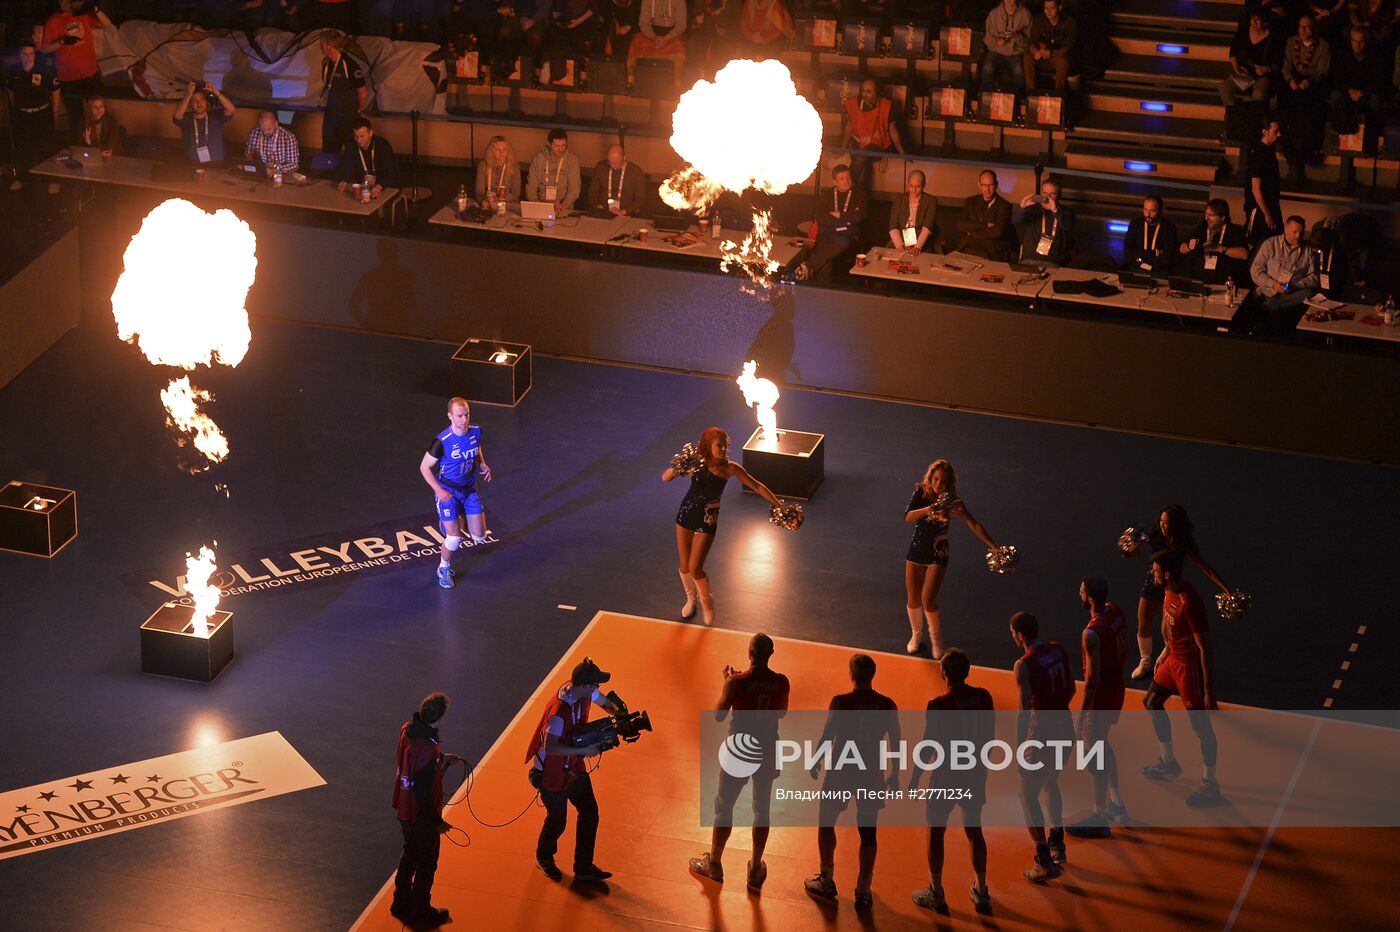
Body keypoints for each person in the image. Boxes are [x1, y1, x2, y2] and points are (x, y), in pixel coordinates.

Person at [689, 633, 790, 888]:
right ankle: (755, 868)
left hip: (740, 749)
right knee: (762, 809)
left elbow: (719, 716)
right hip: (767, 747)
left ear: (749, 654)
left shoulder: (737, 682)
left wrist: (727, 683)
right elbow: (782, 713)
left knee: (724, 805)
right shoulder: (781, 682)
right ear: (771, 654)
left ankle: (714, 863)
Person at [805, 654, 900, 912]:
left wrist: (815, 759)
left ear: (852, 675)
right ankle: (863, 889)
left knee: (827, 822)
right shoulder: (887, 705)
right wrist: (896, 774)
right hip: (870, 773)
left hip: (841, 771)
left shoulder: (841, 702)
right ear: (872, 675)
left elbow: (828, 735)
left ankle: (826, 879)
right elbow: (895, 742)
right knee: (868, 833)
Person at [661, 426, 784, 624]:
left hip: (707, 520)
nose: (724, 449)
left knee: (695, 568)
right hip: (686, 514)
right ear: (708, 447)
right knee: (684, 566)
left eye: (725, 445)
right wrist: (677, 468)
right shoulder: (697, 463)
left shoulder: (730, 468)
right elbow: (665, 477)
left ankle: (706, 601)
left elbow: (757, 485)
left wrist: (778, 504)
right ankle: (691, 599)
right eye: (719, 445)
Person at [524, 657, 623, 881]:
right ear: (585, 685)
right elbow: (550, 747)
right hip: (552, 773)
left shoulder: (580, 690)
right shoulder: (559, 713)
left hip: (572, 767)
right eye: (595, 685)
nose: (598, 688)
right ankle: (544, 857)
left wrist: (618, 713)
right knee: (557, 821)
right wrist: (585, 750)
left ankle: (583, 867)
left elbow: (605, 702)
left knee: (590, 812)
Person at [911, 648, 993, 914]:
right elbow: (989, 739)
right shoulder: (983, 697)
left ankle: (936, 891)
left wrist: (914, 776)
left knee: (936, 831)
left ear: (943, 673)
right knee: (974, 830)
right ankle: (981, 891)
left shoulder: (938, 705)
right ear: (968, 672)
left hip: (945, 776)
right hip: (973, 774)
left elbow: (928, 745)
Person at [1140, 551, 1223, 808]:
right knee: (1151, 701)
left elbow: (1205, 648)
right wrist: (1165, 651)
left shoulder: (1190, 603)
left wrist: (1208, 690)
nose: (1152, 575)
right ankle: (1168, 762)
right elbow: (1167, 625)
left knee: (1201, 728)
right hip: (1173, 660)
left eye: (1155, 571)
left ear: (1167, 574)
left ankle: (1210, 783)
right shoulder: (1168, 591)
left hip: (1189, 669)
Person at [903, 459, 1000, 659]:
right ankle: (916, 634)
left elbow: (973, 523)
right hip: (916, 551)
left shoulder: (954, 502)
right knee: (913, 598)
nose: (938, 484)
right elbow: (907, 517)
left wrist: (993, 545)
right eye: (936, 479)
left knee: (928, 599)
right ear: (930, 478)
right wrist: (928, 509)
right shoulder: (921, 493)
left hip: (938, 554)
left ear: (949, 483)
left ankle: (936, 638)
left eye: (943, 481)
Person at [1129, 505, 1232, 679]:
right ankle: (1145, 661)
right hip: (1154, 580)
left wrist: (1227, 589)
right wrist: (1132, 546)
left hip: (1172, 587)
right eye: (1161, 521)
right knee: (1143, 621)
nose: (1162, 525)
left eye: (1166, 523)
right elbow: (1137, 541)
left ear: (1176, 525)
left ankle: (1168, 659)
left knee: (1168, 629)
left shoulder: (1184, 542)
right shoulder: (1156, 534)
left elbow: (1206, 569)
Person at [1010, 610, 1073, 883]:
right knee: (1051, 783)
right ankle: (1058, 845)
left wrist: (1018, 746)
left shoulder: (1024, 664)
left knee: (1027, 796)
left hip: (1042, 736)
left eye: (1013, 633)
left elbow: (1024, 710)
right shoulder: (1058, 650)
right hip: (1065, 728)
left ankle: (1044, 860)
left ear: (1020, 635)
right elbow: (1071, 688)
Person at [1066, 578, 1129, 838]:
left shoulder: (1091, 633)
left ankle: (1099, 815)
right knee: (1103, 745)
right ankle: (1116, 804)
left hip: (1101, 696)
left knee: (1093, 755)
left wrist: (1081, 715)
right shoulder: (1114, 610)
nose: (1078, 593)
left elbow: (1091, 680)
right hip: (1117, 688)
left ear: (1089, 597)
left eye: (1081, 590)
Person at [391, 692, 457, 928]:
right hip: (420, 817)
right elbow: (423, 792)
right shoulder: (428, 750)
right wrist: (437, 822)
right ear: (441, 716)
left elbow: (414, 769)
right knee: (427, 864)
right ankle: (421, 911)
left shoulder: (407, 730)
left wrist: (439, 763)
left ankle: (400, 902)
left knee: (409, 854)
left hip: (404, 808)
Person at [419, 397, 494, 590]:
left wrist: (483, 464)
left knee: (479, 536)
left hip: (469, 489)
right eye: (459, 415)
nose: (464, 419)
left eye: (466, 414)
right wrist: (439, 490)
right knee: (454, 538)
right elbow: (424, 467)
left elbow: (476, 447)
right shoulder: (441, 441)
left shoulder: (476, 431)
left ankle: (454, 519)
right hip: (448, 492)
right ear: (450, 416)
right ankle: (443, 568)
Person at [38, 0, 111, 136]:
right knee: (76, 120)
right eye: (63, 1)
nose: (66, 4)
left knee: (100, 114)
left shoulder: (83, 15)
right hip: (69, 78)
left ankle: (102, 145)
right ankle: (81, 148)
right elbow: (44, 49)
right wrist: (62, 41)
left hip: (90, 75)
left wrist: (96, 9)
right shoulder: (53, 20)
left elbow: (108, 25)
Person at [1278, 14, 1331, 184]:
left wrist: (1308, 82)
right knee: (1284, 102)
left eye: (1307, 27)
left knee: (1310, 106)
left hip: (1313, 84)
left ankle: (1307, 147)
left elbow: (1322, 72)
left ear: (1314, 28)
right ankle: (1287, 144)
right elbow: (1286, 66)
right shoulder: (1290, 42)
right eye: (1301, 26)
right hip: (1295, 82)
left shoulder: (1323, 45)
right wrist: (1291, 81)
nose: (1303, 30)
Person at [793, 163, 867, 282]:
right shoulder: (827, 195)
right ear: (835, 181)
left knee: (843, 241)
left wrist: (837, 214)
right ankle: (820, 293)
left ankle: (809, 266)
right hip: (828, 233)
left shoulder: (860, 195)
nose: (846, 181)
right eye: (842, 179)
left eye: (848, 177)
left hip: (848, 235)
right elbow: (821, 217)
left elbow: (858, 217)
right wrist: (844, 222)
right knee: (826, 262)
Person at [5, 41, 60, 191]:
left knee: (47, 147)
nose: (28, 57)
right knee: (22, 148)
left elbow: (55, 92)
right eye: (25, 54)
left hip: (42, 114)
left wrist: (55, 112)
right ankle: (22, 178)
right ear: (19, 55)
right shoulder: (14, 71)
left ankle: (51, 180)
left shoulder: (45, 70)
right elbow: (11, 93)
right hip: (23, 115)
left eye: (31, 54)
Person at [1249, 215, 1318, 331]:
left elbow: (1315, 276)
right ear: (1285, 229)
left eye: (1301, 232)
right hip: (1270, 290)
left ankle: (1274, 307)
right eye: (1295, 232)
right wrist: (1273, 284)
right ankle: (1275, 306)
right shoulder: (1270, 244)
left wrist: (1296, 286)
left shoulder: (1308, 249)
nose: (1298, 236)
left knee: (1309, 293)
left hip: (1293, 290)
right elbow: (1255, 270)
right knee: (1266, 296)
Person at [841, 77, 904, 190]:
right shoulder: (853, 103)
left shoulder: (886, 106)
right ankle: (856, 196)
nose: (864, 94)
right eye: (863, 90)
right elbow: (849, 127)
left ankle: (847, 187)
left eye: (869, 92)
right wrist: (843, 148)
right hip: (858, 141)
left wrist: (902, 153)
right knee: (861, 163)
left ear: (877, 93)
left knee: (861, 157)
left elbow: (893, 131)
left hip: (880, 143)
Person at [1328, 26, 1386, 142]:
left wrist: (1363, 93)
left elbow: (1377, 80)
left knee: (1375, 100)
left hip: (1366, 93)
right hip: (1348, 92)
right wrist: (1350, 91)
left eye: (1361, 41)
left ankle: (1369, 132)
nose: (1358, 44)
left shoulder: (1374, 56)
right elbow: (1338, 78)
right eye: (1354, 41)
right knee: (1335, 96)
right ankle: (1341, 125)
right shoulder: (1343, 55)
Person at [1178, 198, 1249, 286]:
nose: (1206, 218)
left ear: (1222, 217)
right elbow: (1181, 248)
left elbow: (1244, 254)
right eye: (1206, 214)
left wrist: (1220, 248)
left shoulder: (1235, 231)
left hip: (1224, 282)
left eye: (1211, 215)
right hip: (1200, 279)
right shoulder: (1201, 229)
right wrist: (1189, 246)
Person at [320, 33, 368, 157]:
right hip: (331, 114)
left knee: (350, 150)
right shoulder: (326, 62)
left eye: (322, 44)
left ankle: (350, 175)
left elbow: (362, 92)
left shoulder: (350, 65)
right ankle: (328, 175)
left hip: (348, 116)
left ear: (329, 46)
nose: (320, 47)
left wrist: (360, 111)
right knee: (329, 149)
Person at [1221, 11, 1282, 107]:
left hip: (1264, 74)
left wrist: (1266, 69)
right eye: (1252, 20)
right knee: (1224, 88)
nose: (1253, 23)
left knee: (1258, 94)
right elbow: (1234, 49)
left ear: (1265, 22)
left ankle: (1257, 118)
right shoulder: (1245, 32)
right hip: (1247, 72)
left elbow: (1279, 62)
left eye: (1257, 20)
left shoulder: (1273, 38)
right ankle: (1236, 113)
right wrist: (1236, 65)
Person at [953, 169, 1016, 260]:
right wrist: (985, 225)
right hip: (968, 246)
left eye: (990, 185)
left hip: (990, 250)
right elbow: (959, 224)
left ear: (996, 184)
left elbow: (997, 231)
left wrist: (971, 233)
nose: (987, 189)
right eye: (984, 185)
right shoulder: (971, 201)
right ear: (979, 185)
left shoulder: (1004, 205)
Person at [1015, 175, 1075, 266]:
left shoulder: (1066, 212)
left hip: (1053, 262)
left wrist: (1055, 211)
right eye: (1045, 193)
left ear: (1059, 195)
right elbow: (1016, 220)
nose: (1048, 197)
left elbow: (1069, 227)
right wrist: (1022, 207)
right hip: (1030, 260)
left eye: (1052, 194)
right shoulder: (1033, 208)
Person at [172, 80, 236, 166]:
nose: (199, 103)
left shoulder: (216, 116)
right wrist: (188, 95)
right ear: (190, 103)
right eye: (195, 100)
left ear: (206, 102)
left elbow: (231, 109)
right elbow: (177, 116)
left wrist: (216, 92)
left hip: (216, 163)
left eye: (202, 99)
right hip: (192, 164)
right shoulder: (187, 118)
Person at [1241, 117, 1283, 246]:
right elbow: (1255, 188)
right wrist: (1267, 214)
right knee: (1258, 243)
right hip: (1260, 210)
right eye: (1275, 131)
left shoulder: (1268, 150)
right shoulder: (1259, 155)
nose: (1279, 134)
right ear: (1265, 132)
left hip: (1270, 206)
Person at [627, 0, 687, 81]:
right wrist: (654, 37)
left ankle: (674, 84)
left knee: (678, 47)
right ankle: (637, 82)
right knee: (636, 43)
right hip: (652, 33)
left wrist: (666, 38)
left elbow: (681, 25)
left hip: (672, 34)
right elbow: (643, 23)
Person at [1024, 0, 1077, 91]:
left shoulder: (1069, 22)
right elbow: (1032, 41)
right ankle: (1030, 93)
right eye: (1046, 8)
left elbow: (1068, 45)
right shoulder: (1039, 20)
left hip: (1057, 56)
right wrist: (1035, 51)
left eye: (1052, 8)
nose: (1048, 12)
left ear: (1059, 8)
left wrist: (1051, 52)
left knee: (1063, 62)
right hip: (1041, 56)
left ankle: (1058, 95)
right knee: (1027, 57)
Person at [337, 117, 398, 195]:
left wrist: (379, 186)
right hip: (364, 189)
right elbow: (346, 166)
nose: (359, 140)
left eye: (362, 136)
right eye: (356, 136)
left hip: (386, 187)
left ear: (371, 133)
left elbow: (389, 172)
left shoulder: (382, 145)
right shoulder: (351, 145)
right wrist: (343, 181)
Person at [526, 128, 582, 210]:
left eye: (563, 146)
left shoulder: (572, 160)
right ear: (549, 144)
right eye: (556, 146)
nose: (560, 149)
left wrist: (564, 205)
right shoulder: (538, 159)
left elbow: (574, 189)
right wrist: (537, 204)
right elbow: (531, 187)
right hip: (541, 205)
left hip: (563, 207)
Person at [541, 0, 596, 83]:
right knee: (554, 35)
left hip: (584, 22)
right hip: (565, 21)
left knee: (577, 37)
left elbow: (591, 10)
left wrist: (577, 21)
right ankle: (552, 66)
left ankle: (574, 73)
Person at [1121, 195, 1179, 273]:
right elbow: (1128, 251)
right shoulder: (1136, 223)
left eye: (1152, 211)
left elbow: (1168, 255)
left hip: (1159, 271)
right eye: (1145, 209)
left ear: (1160, 211)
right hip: (1136, 268)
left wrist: (1141, 253)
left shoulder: (1169, 227)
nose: (1148, 214)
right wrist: (1155, 252)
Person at [887, 169, 938, 254]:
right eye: (911, 186)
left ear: (923, 185)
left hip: (921, 243)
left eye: (918, 187)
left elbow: (927, 227)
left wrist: (917, 247)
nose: (914, 190)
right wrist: (899, 245)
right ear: (908, 184)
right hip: (900, 241)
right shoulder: (899, 199)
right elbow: (893, 226)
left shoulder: (931, 201)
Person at [982, 0, 1031, 90]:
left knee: (1018, 70)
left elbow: (1028, 42)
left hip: (1016, 52)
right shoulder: (994, 14)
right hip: (996, 51)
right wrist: (996, 41)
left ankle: (1018, 97)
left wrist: (1017, 36)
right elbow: (987, 38)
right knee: (987, 67)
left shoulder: (1025, 14)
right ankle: (987, 94)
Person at [587, 144, 646, 216]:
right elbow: (593, 192)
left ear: (624, 158)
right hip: (603, 211)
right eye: (610, 162)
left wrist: (624, 211)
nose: (612, 166)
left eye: (616, 163)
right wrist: (597, 205)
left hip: (626, 213)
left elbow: (640, 198)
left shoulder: (635, 172)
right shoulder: (600, 168)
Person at [244, 109, 300, 175]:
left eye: (268, 129)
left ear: (276, 124)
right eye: (262, 129)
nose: (265, 132)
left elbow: (294, 165)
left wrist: (274, 171)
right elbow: (248, 156)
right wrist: (245, 165)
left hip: (281, 175)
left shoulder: (288, 137)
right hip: (260, 172)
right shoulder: (254, 133)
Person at [473, 134, 522, 208]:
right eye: (498, 150)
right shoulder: (483, 166)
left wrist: (499, 199)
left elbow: (515, 194)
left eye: (504, 149)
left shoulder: (514, 167)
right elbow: (479, 192)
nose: (501, 153)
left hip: (508, 204)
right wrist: (483, 200)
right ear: (491, 151)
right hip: (488, 204)